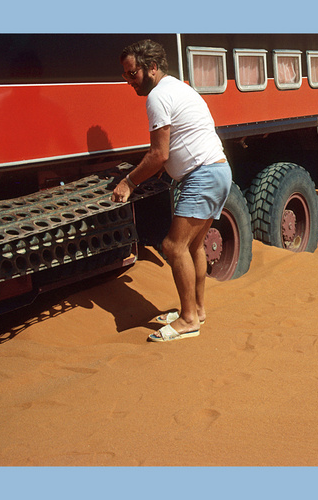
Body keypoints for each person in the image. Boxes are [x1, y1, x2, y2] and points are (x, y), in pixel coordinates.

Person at [109, 39, 231, 343]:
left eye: (132, 73)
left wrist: (128, 182)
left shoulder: (158, 96)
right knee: (193, 247)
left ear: (151, 68)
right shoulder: (179, 87)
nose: (129, 81)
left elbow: (158, 155)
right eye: (124, 75)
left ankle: (188, 319)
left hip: (202, 176)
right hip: (218, 170)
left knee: (173, 247)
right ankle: (197, 309)